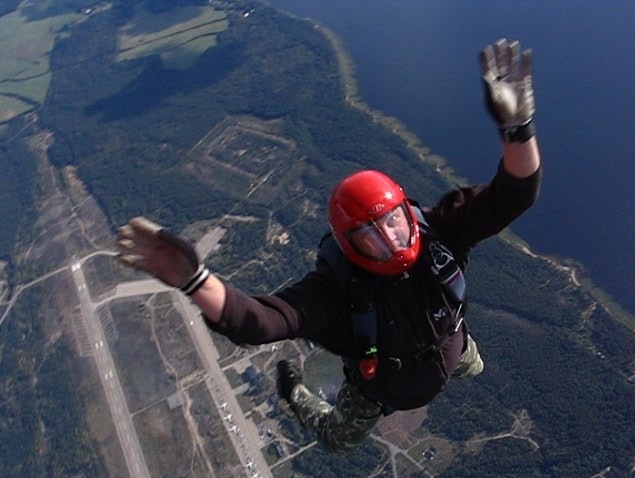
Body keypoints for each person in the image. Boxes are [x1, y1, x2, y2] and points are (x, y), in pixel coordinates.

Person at [115, 38, 541, 454]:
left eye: (393, 221)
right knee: (338, 440)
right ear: (349, 246)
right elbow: (259, 322)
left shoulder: (441, 232)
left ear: (408, 211)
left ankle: (459, 359)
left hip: (451, 349)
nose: (391, 241)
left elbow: (514, 194)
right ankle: (296, 394)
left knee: (472, 363)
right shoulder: (337, 292)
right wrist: (194, 280)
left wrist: (518, 128)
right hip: (379, 389)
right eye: (371, 236)